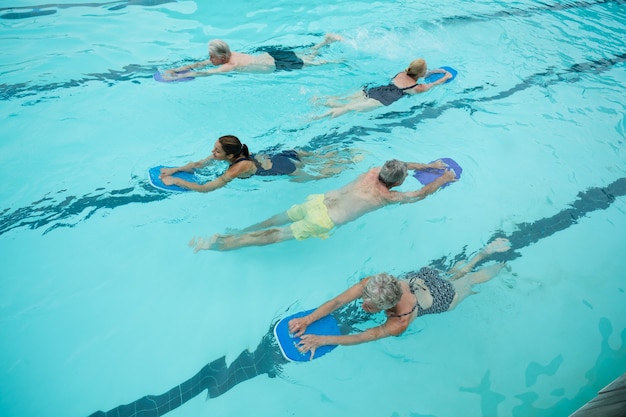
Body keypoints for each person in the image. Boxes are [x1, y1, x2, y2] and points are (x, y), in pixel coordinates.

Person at [289, 238, 512, 359]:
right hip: (423, 278)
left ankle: (502, 263)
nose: (363, 304)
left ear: (387, 307)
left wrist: (323, 340)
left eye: (369, 304)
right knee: (454, 273)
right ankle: (481, 254)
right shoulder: (376, 284)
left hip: (443, 298)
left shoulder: (400, 322)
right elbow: (338, 301)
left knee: (469, 281)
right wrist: (308, 320)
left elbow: (364, 337)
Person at [190, 159, 456, 251]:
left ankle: (235, 232)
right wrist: (442, 177)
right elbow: (420, 194)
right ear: (396, 184)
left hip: (317, 202)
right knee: (273, 236)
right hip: (324, 220)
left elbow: (403, 165)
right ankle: (220, 244)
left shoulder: (373, 170)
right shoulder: (388, 197)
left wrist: (426, 165)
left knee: (273, 221)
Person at [159, 135, 360, 192]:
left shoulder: (239, 167)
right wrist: (175, 169)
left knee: (321, 174)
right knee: (319, 157)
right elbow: (199, 164)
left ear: (229, 156)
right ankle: (346, 154)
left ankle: (351, 162)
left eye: (216, 151)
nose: (213, 153)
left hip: (285, 166)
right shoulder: (231, 153)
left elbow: (207, 188)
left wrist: (177, 182)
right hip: (281, 154)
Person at [162, 33, 343, 80]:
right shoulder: (230, 54)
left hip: (275, 64)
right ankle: (324, 42)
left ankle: (340, 61)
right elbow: (201, 64)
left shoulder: (230, 65)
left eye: (212, 57)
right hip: (271, 55)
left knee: (316, 64)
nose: (210, 60)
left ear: (223, 57)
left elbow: (205, 73)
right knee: (307, 54)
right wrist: (176, 69)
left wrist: (182, 76)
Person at [315, 58, 452, 118]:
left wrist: (432, 71)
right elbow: (435, 84)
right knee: (348, 108)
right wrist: (446, 76)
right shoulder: (418, 87)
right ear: (421, 73)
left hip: (376, 89)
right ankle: (318, 117)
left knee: (344, 99)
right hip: (382, 99)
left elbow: (417, 73)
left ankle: (321, 100)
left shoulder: (402, 72)